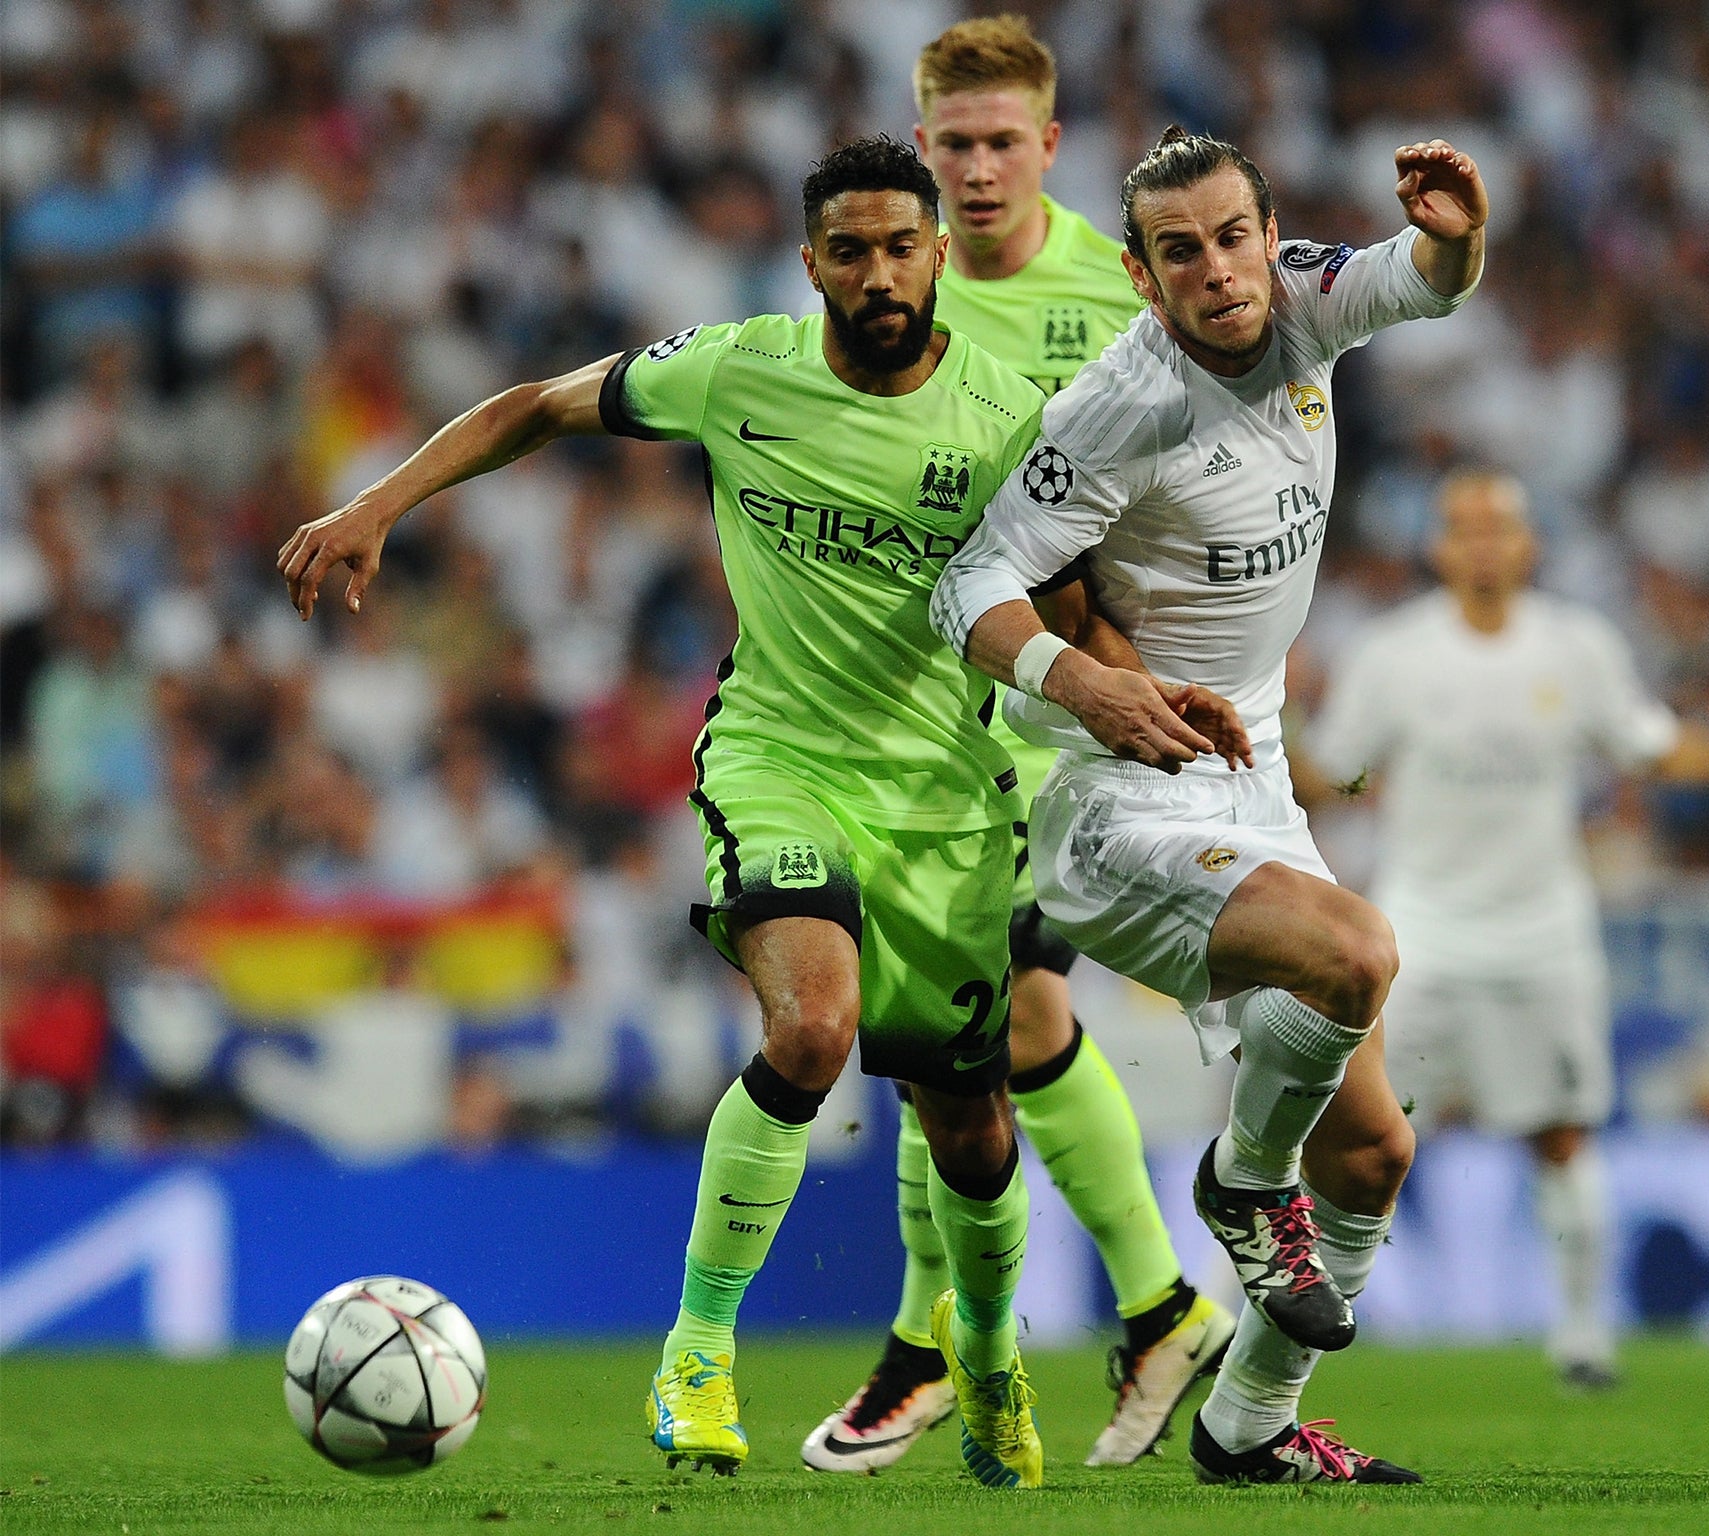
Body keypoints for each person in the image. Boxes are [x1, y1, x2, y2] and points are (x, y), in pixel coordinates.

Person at [277, 138, 1055, 1489]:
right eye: (850, 251)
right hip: (777, 758)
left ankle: (986, 1354)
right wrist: (376, 502)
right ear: (812, 263)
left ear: (940, 252)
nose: (878, 273)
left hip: (944, 794)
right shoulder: (738, 368)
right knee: (812, 1026)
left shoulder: (1014, 417)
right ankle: (697, 1349)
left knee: (971, 1123)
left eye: (900, 246)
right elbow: (534, 404)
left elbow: (1078, 605)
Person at [931, 127, 1487, 1485]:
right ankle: (1243, 1186)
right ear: (1141, 273)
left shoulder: (1300, 302)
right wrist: (1096, 690)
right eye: (1179, 251)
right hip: (1117, 795)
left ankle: (1248, 1429)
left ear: (1267, 233)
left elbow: (1426, 283)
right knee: (1355, 951)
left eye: (1233, 236)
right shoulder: (1118, 407)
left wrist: (1457, 235)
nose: (1218, 269)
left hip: (1249, 783)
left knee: (1371, 1154)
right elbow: (970, 588)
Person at [803, 16, 1228, 1477]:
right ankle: (1040, 1325)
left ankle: (1012, 1329)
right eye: (954, 145)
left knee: (1006, 1029)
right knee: (955, 1055)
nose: (978, 172)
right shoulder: (876, 292)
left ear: (1052, 148)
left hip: (1063, 714)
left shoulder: (1117, 291)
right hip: (917, 729)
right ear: (920, 149)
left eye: (1004, 144)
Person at [1303, 469, 1709, 1388]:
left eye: (1498, 527)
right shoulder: (1393, 655)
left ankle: (1583, 1337)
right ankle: (1276, 1320)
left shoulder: (1575, 647)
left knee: (1562, 1135)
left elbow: (1651, 746)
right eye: (1462, 528)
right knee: (1350, 1130)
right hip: (1422, 932)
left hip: (1542, 932)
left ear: (1528, 544)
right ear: (1437, 548)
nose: (1481, 544)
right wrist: (1254, 716)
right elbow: (1333, 774)